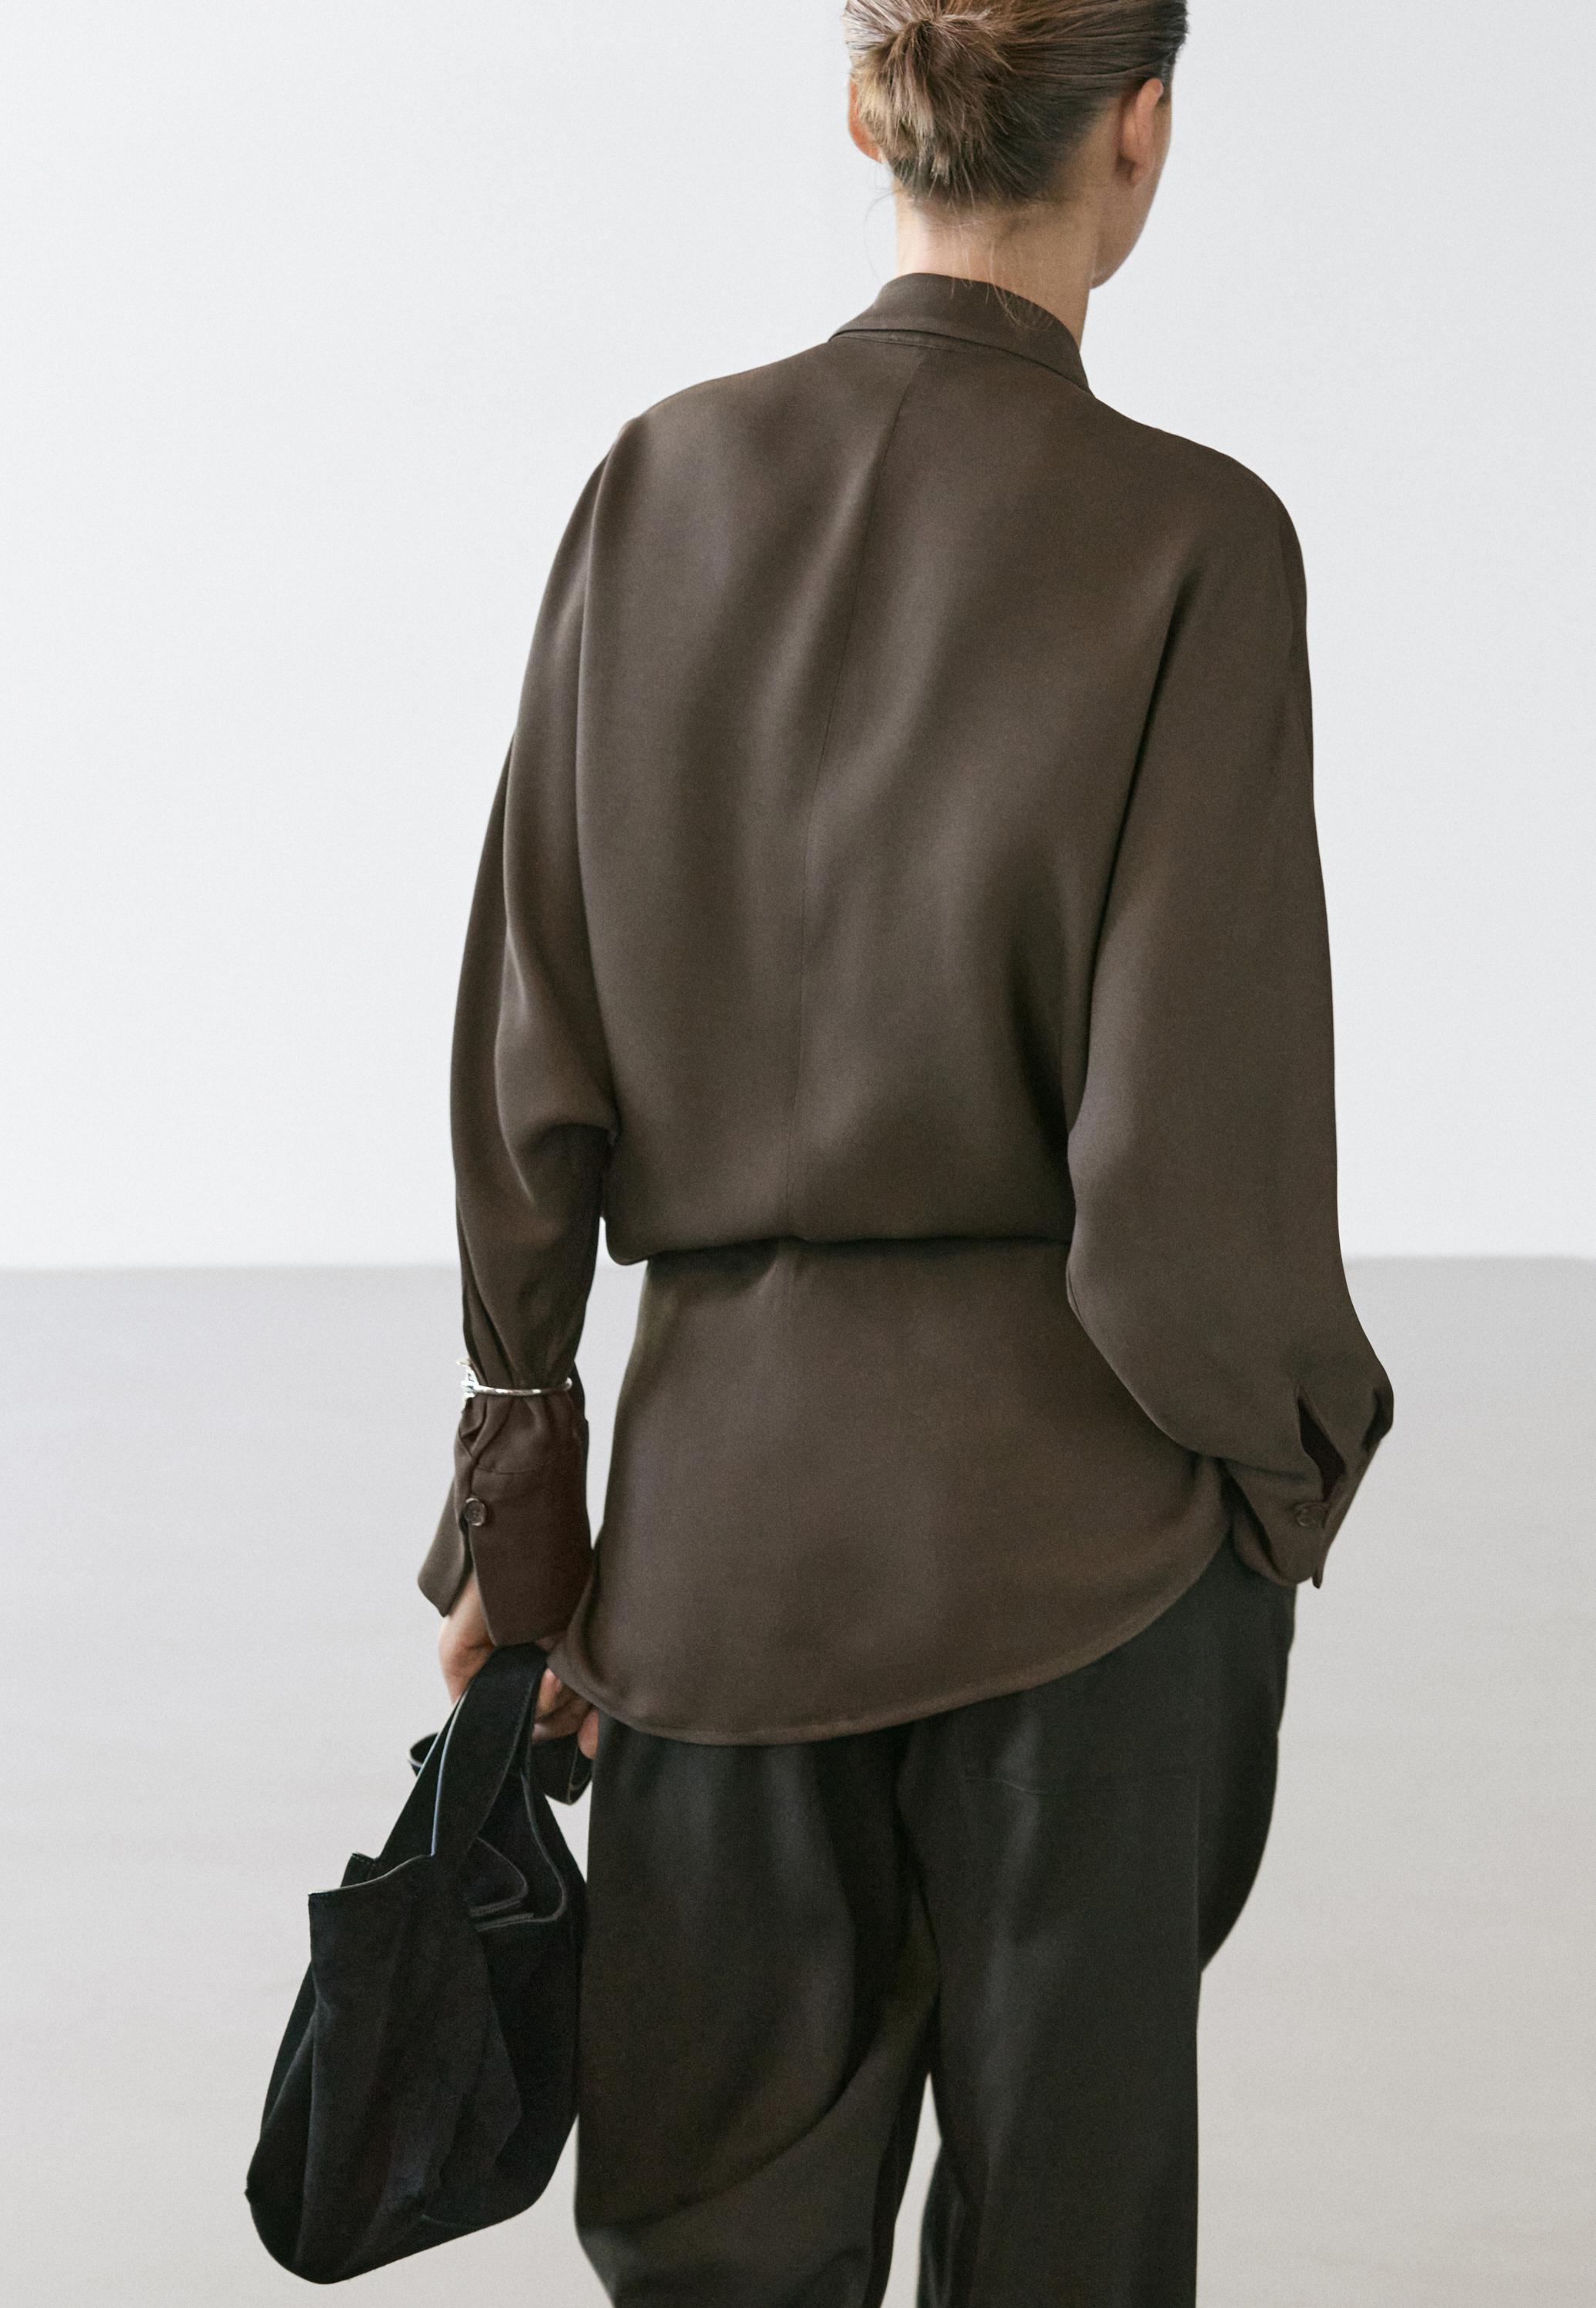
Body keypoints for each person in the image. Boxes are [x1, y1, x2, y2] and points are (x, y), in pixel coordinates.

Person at [425, 2, 1394, 2300]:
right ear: (1141, 128)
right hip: (1090, 1556)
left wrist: (525, 1509)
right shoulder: (1196, 539)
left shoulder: (657, 484)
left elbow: (529, 1052)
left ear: (868, 110)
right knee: (1067, 2247)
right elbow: (1193, 1165)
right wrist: (1294, 1467)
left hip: (723, 1553)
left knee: (712, 2249)